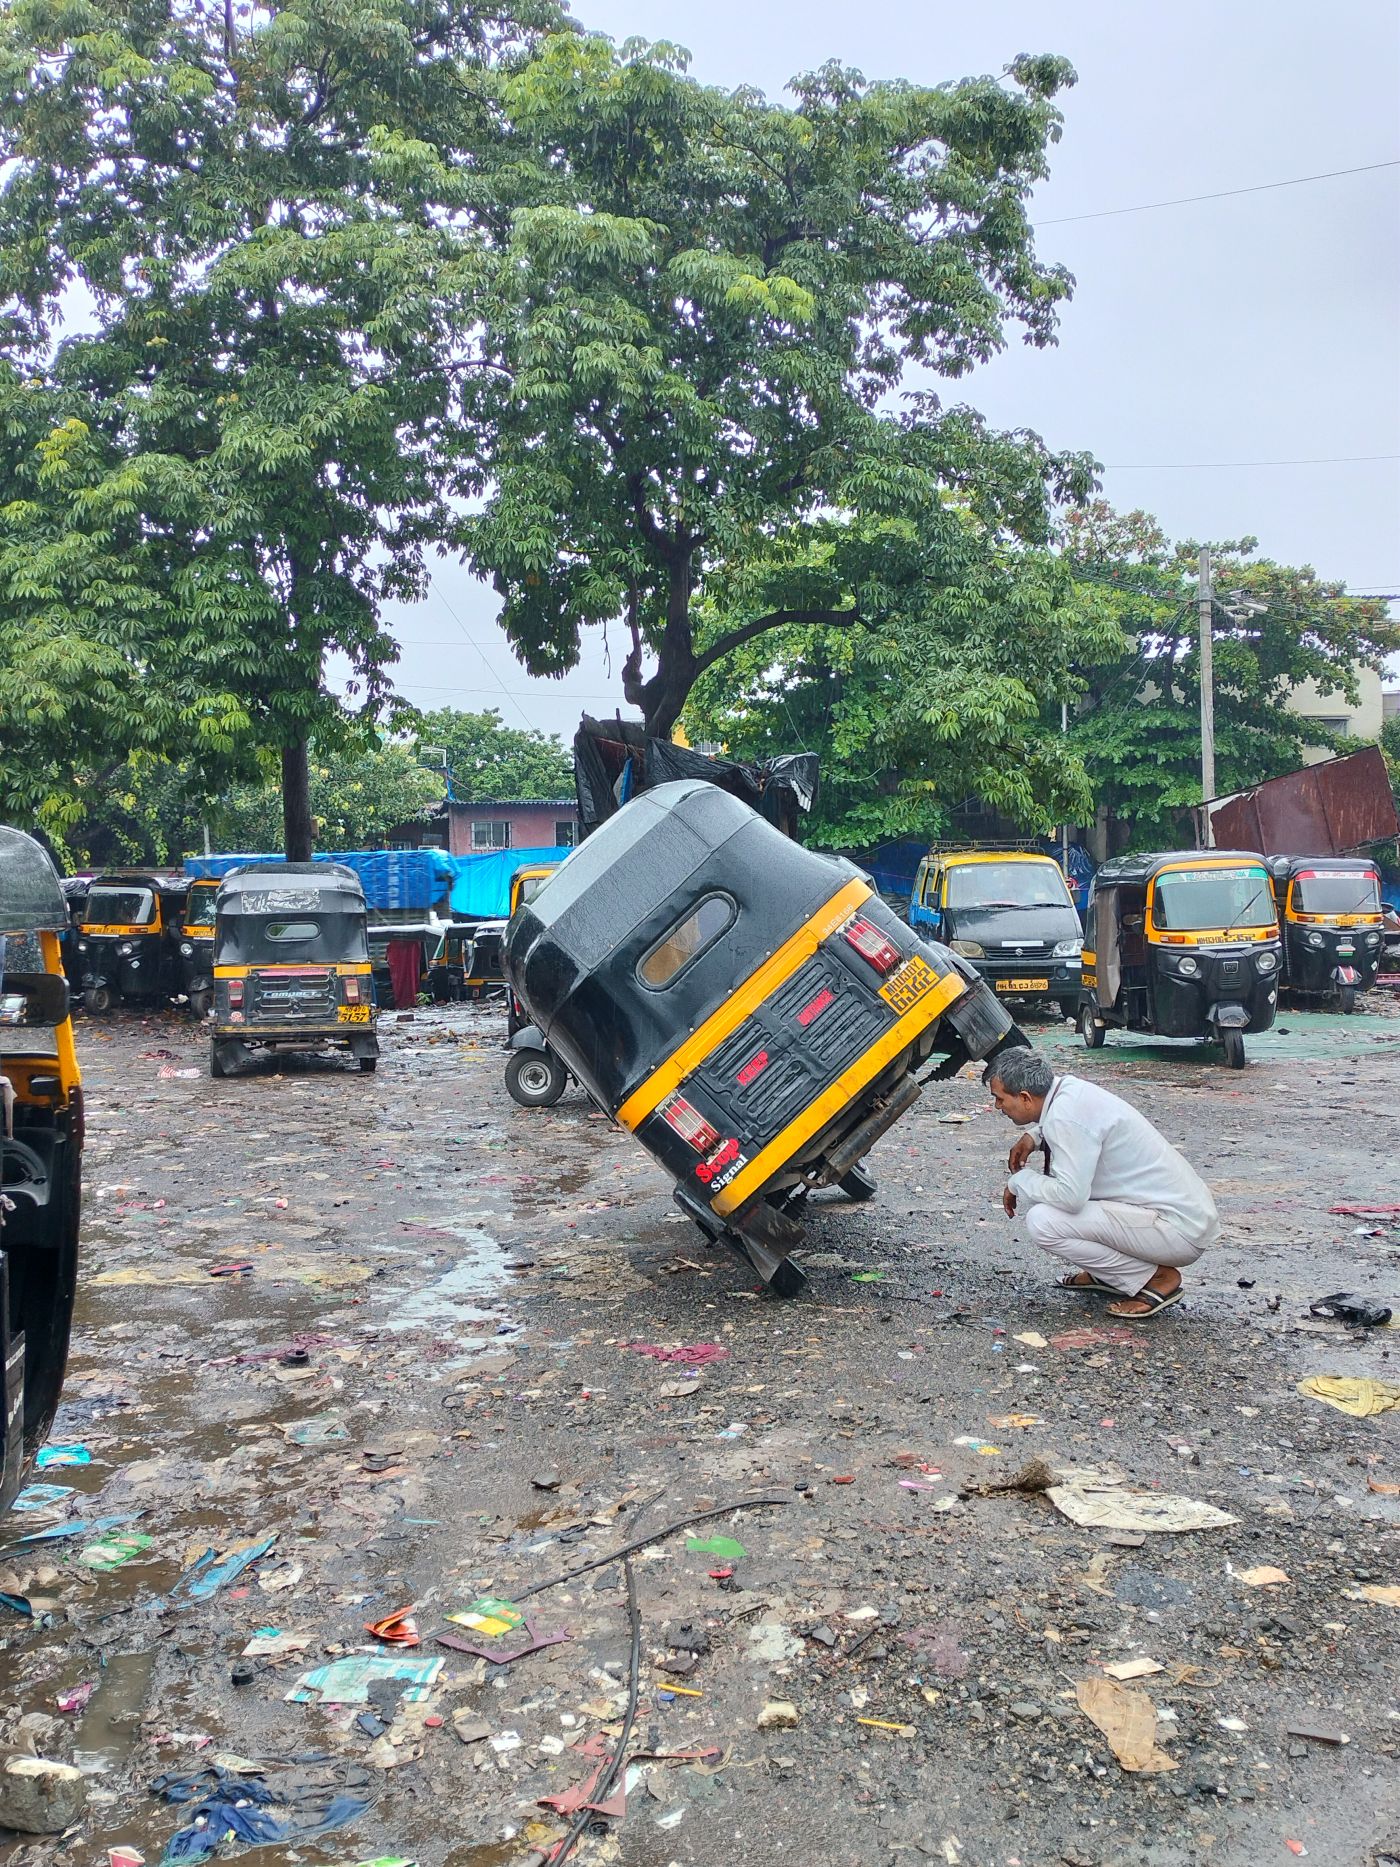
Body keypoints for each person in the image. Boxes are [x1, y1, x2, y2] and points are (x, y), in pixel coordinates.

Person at [984, 1046, 1219, 1321]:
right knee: (1067, 1199)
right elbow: (1077, 1125)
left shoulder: (1064, 1119)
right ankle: (1109, 1275)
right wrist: (1034, 1137)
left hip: (1177, 1232)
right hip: (1185, 1218)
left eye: (999, 1099)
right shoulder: (1070, 1090)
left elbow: (1070, 1196)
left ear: (1025, 1097)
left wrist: (1019, 1181)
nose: (998, 1107)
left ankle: (1156, 1279)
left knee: (1043, 1221)